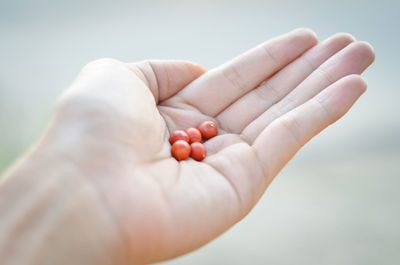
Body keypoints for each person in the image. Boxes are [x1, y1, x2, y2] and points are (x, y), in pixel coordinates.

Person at [0, 28, 374, 265]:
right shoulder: (185, 142)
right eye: (189, 141)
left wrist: (65, 186)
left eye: (191, 141)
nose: (191, 141)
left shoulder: (193, 140)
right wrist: (78, 179)